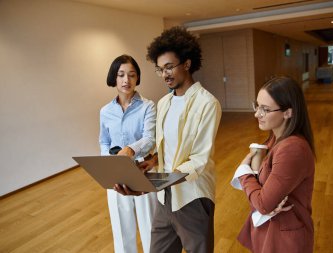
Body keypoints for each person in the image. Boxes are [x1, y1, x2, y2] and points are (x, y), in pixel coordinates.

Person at [115, 26, 222, 253]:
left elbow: (198, 161)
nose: (165, 74)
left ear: (187, 63)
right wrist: (152, 161)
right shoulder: (164, 103)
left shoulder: (207, 104)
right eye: (160, 69)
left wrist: (151, 184)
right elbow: (166, 144)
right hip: (165, 198)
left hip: (193, 198)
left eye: (169, 67)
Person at [234, 76, 315, 253]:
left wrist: (243, 172)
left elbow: (263, 204)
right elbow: (260, 201)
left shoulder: (292, 149)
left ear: (288, 112)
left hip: (284, 240)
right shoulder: (274, 139)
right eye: (257, 106)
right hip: (270, 231)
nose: (257, 114)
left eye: (265, 109)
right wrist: (262, 197)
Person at [99, 54, 156, 253]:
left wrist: (131, 150)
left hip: (142, 169)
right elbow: (104, 142)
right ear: (114, 78)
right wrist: (109, 162)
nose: (126, 80)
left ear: (137, 78)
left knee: (150, 227)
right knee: (122, 232)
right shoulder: (105, 111)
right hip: (115, 172)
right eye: (121, 75)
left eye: (132, 75)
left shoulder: (148, 106)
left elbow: (150, 139)